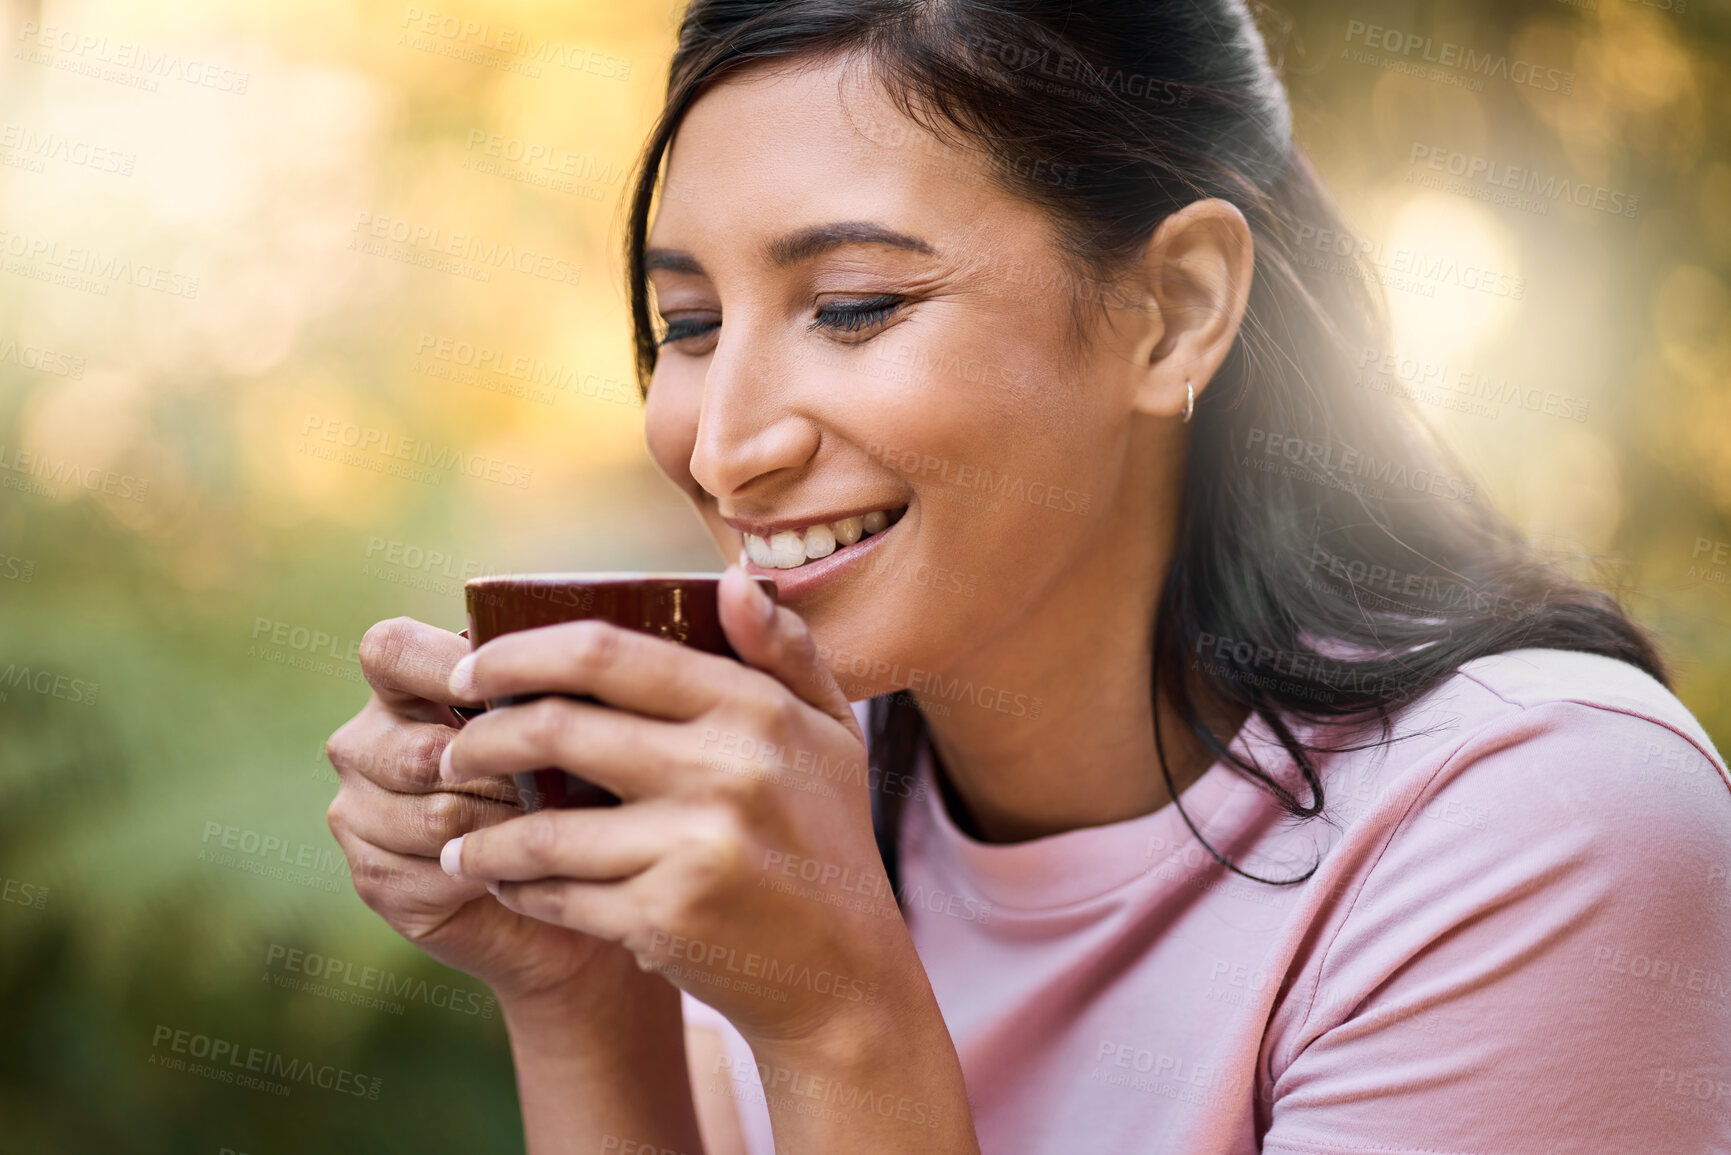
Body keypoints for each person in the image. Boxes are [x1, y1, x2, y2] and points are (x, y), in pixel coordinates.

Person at [324, 2, 1731, 1152]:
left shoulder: (1534, 824)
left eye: (855, 307)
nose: (726, 445)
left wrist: (845, 1026)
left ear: (1171, 313)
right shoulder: (793, 783)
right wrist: (579, 995)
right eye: (686, 322)